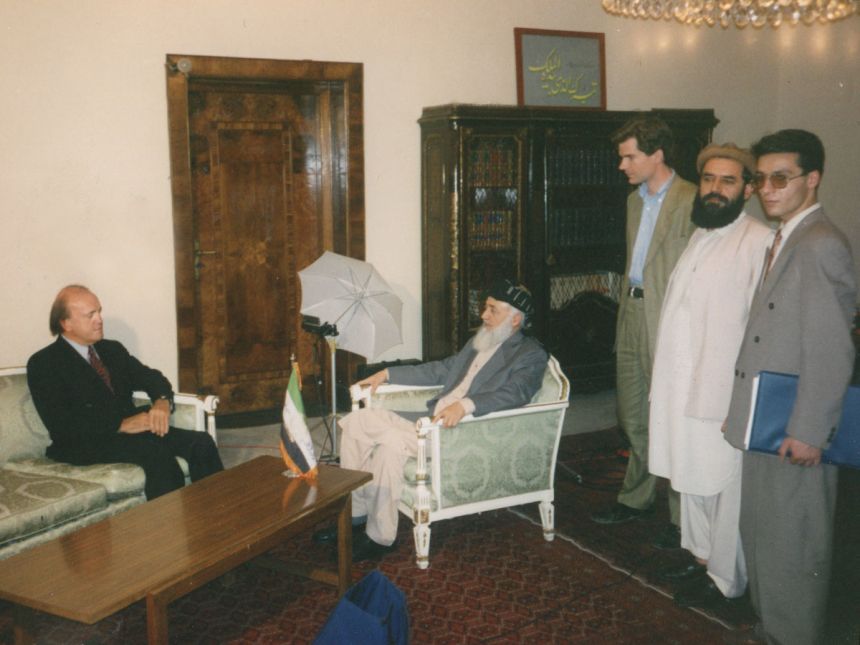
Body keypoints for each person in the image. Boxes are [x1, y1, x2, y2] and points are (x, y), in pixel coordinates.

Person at [723, 130, 856, 645]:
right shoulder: (786, 238)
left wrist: (809, 432)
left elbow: (831, 351)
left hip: (796, 426)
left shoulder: (821, 244)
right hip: (768, 419)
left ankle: (792, 635)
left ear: (812, 178)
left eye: (781, 178)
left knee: (794, 541)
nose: (767, 190)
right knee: (764, 532)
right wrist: (743, 408)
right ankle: (770, 629)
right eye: (761, 179)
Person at [316, 280, 548, 560]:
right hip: (428, 421)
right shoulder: (481, 339)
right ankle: (357, 515)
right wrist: (387, 374)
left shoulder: (530, 354)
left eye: (492, 310)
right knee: (357, 422)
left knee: (389, 444)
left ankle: (378, 537)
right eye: (485, 308)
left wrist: (466, 405)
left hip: (460, 431)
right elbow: (442, 369)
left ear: (516, 320)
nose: (484, 315)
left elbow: (517, 392)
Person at [647, 144, 771, 609]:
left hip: (721, 392)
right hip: (681, 387)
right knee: (690, 479)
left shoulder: (758, 241)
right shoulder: (702, 233)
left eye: (728, 181)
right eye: (709, 179)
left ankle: (727, 580)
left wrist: (743, 397)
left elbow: (759, 329)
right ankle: (700, 558)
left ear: (748, 189)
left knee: (722, 486)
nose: (715, 189)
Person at [591, 116, 697, 550]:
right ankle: (636, 497)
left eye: (629, 157)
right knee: (632, 415)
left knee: (672, 419)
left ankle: (682, 520)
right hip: (631, 312)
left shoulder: (692, 199)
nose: (622, 165)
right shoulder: (634, 201)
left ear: (657, 154)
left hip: (669, 318)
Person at [27, 285, 224, 500]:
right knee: (157, 455)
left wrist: (162, 402)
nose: (99, 319)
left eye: (99, 311)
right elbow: (62, 424)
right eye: (90, 315)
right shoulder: (45, 363)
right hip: (86, 443)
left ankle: (215, 513)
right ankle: (170, 522)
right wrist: (120, 425)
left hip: (132, 431)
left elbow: (151, 377)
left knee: (201, 442)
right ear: (66, 323)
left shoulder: (112, 349)